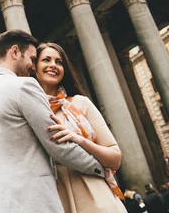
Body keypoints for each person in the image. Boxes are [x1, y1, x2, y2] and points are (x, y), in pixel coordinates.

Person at [0, 30, 105, 213]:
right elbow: (56, 143)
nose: (33, 67)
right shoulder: (23, 86)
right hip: (30, 200)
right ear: (15, 52)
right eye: (32, 59)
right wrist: (98, 168)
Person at [36, 42, 126, 213]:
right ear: (34, 67)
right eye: (46, 60)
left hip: (95, 195)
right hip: (53, 198)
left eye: (59, 62)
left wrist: (79, 139)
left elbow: (115, 158)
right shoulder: (28, 110)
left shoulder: (80, 103)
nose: (53, 65)